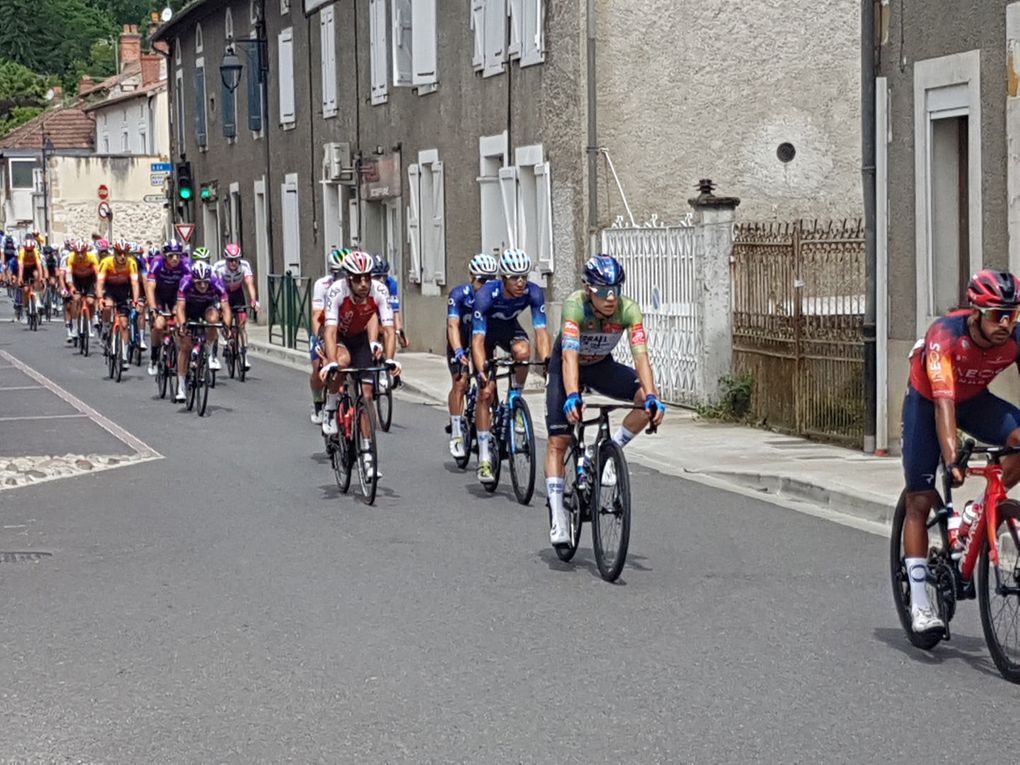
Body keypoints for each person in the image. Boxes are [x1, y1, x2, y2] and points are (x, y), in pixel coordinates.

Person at [900, 270, 1020, 634]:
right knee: (919, 500)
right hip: (929, 402)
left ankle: (979, 511)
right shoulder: (944, 336)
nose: (1005, 323)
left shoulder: (1014, 337)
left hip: (975, 401)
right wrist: (951, 456)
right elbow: (944, 404)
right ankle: (921, 604)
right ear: (975, 312)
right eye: (997, 314)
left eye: (1012, 314)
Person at [544, 255, 666, 545]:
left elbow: (641, 357)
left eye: (615, 289)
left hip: (600, 366)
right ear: (588, 289)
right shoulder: (575, 305)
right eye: (602, 291)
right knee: (558, 441)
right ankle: (558, 514)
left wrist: (651, 397)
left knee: (645, 401)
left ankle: (608, 453)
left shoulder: (629, 310)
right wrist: (573, 395)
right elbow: (569, 355)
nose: (610, 298)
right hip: (566, 367)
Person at [470, 248, 551, 485]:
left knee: (523, 352)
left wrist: (546, 361)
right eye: (515, 277)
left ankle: (515, 396)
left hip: (508, 329)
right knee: (485, 393)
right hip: (485, 334)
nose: (521, 282)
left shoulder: (533, 293)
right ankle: (484, 456)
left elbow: (541, 332)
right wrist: (482, 371)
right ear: (503, 278)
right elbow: (476, 340)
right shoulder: (486, 295)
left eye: (524, 276)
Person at [318, 251, 398, 480]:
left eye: (367, 277)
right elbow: (330, 332)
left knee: (367, 394)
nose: (363, 284)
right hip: (339, 337)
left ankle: (367, 456)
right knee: (342, 363)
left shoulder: (379, 290)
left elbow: (389, 329)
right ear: (348, 278)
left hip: (360, 338)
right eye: (357, 278)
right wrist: (332, 362)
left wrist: (390, 359)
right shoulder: (336, 292)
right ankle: (331, 407)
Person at [445, 253, 499, 458]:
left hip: (482, 340)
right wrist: (458, 351)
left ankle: (487, 422)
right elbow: (453, 325)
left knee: (487, 384)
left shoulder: (493, 297)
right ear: (471, 277)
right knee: (460, 381)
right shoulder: (459, 294)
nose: (485, 285)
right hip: (459, 338)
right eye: (481, 281)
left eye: (490, 280)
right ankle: (457, 431)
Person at [174, 261, 231, 402]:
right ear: (193, 279)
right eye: (199, 283)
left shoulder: (216, 282)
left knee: (214, 320)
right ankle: (181, 387)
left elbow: (226, 308)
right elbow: (180, 308)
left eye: (205, 282)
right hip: (188, 310)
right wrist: (182, 325)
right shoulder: (185, 282)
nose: (203, 285)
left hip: (207, 308)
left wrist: (227, 327)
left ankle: (210, 353)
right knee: (185, 347)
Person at [309, 247, 350, 424]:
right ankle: (318, 401)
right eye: (338, 273)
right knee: (319, 368)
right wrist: (319, 338)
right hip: (325, 328)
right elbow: (316, 315)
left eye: (345, 272)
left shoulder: (353, 285)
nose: (342, 277)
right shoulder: (322, 285)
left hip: (346, 329)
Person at [145, 240, 191, 376]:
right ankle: (154, 357)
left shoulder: (186, 264)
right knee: (159, 325)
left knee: (178, 320)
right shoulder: (157, 263)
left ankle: (177, 349)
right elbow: (150, 288)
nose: (175, 259)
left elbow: (189, 287)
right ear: (165, 255)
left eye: (178, 255)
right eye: (171, 256)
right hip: (159, 295)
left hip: (176, 296)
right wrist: (153, 309)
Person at [211, 243, 260, 372]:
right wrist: (219, 305)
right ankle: (226, 336)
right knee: (224, 316)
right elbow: (217, 286)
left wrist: (254, 300)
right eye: (230, 260)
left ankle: (244, 356)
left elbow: (249, 283)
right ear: (226, 260)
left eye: (236, 260)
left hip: (237, 292)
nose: (233, 263)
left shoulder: (245, 266)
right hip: (223, 292)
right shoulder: (219, 267)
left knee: (242, 324)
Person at [96, 239, 141, 362]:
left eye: (125, 253)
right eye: (119, 253)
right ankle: (105, 327)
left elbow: (135, 284)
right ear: (114, 253)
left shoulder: (131, 263)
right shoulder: (106, 262)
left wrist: (135, 301)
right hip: (110, 289)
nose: (122, 256)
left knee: (124, 324)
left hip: (124, 291)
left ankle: (124, 355)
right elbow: (99, 282)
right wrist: (100, 299)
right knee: (107, 307)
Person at [64, 239, 99, 339]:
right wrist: (71, 287)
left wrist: (99, 286)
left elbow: (97, 273)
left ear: (86, 251)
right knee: (75, 299)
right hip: (77, 279)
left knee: (91, 302)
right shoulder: (71, 258)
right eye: (77, 253)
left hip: (89, 279)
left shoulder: (92, 257)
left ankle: (91, 320)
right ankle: (74, 328)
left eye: (82, 252)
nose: (79, 255)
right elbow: (69, 275)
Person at [372, 255, 407, 349]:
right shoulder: (364, 286)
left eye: (384, 276)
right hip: (368, 314)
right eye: (377, 277)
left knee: (389, 333)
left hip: (384, 312)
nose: (382, 280)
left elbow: (395, 311)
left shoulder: (391, 284)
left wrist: (399, 332)